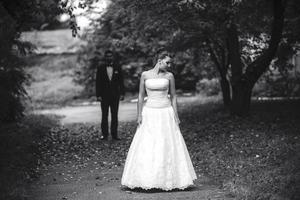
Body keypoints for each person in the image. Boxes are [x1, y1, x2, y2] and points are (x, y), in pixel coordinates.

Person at [121, 51, 197, 190]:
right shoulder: (145, 75)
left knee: (166, 142)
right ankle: (146, 178)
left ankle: (169, 179)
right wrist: (139, 114)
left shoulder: (169, 76)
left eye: (170, 63)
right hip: (149, 112)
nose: (169, 65)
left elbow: (173, 96)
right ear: (159, 60)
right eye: (167, 62)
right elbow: (140, 95)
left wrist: (176, 114)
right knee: (148, 143)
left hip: (165, 112)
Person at [95, 50, 125, 141]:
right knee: (104, 115)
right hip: (104, 96)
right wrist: (98, 95)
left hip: (115, 95)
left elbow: (121, 81)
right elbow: (98, 82)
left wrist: (122, 93)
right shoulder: (100, 67)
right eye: (107, 56)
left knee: (114, 115)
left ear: (113, 57)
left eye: (110, 56)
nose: (109, 57)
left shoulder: (117, 67)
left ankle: (114, 134)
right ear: (105, 57)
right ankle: (104, 135)